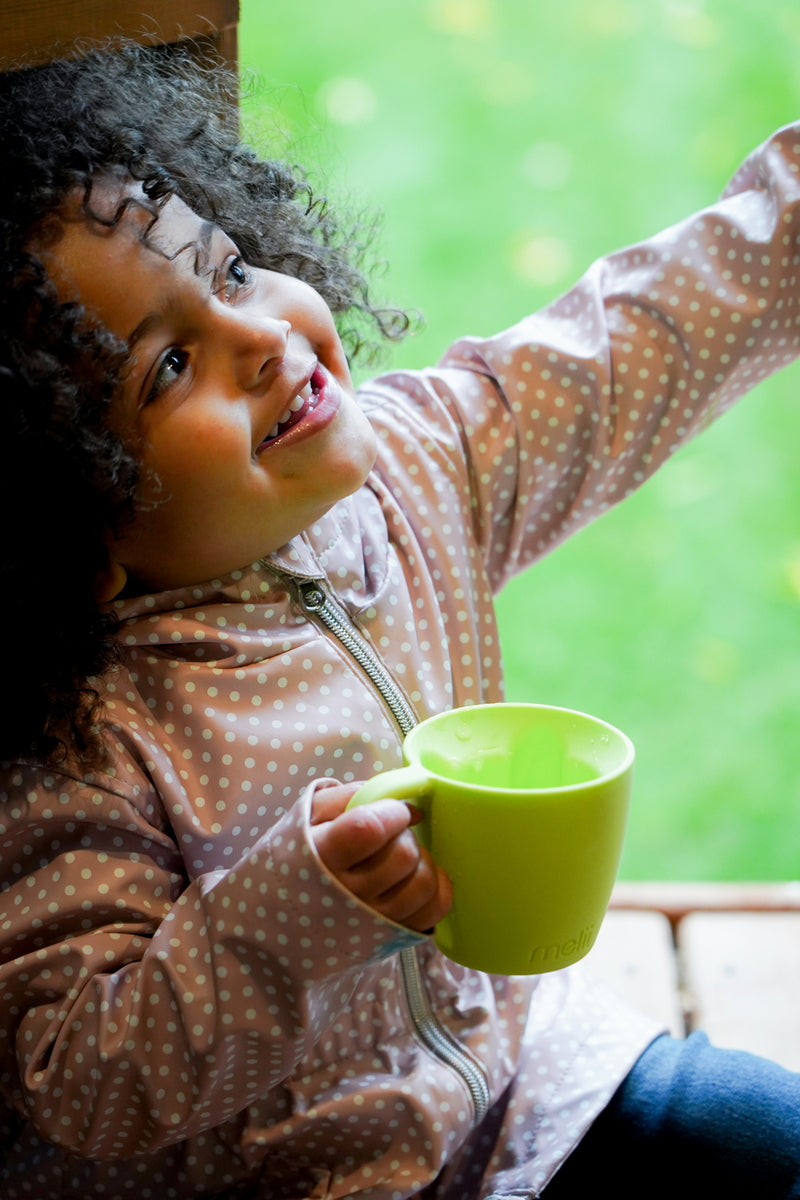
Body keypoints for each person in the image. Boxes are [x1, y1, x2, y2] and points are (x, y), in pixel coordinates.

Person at [0, 40, 798, 1200]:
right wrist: (305, 897)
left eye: (230, 275)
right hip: (305, 1177)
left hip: (530, 1083)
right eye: (170, 366)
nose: (261, 339)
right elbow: (84, 1078)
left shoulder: (426, 467)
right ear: (67, 521)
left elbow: (636, 340)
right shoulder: (78, 743)